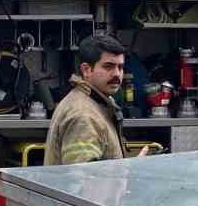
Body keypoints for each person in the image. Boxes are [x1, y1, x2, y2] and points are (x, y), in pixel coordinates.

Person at [43, 33, 132, 166]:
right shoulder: (84, 115)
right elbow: (83, 179)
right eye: (108, 67)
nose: (117, 74)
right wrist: (127, 172)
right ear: (86, 70)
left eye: (120, 67)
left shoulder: (94, 103)